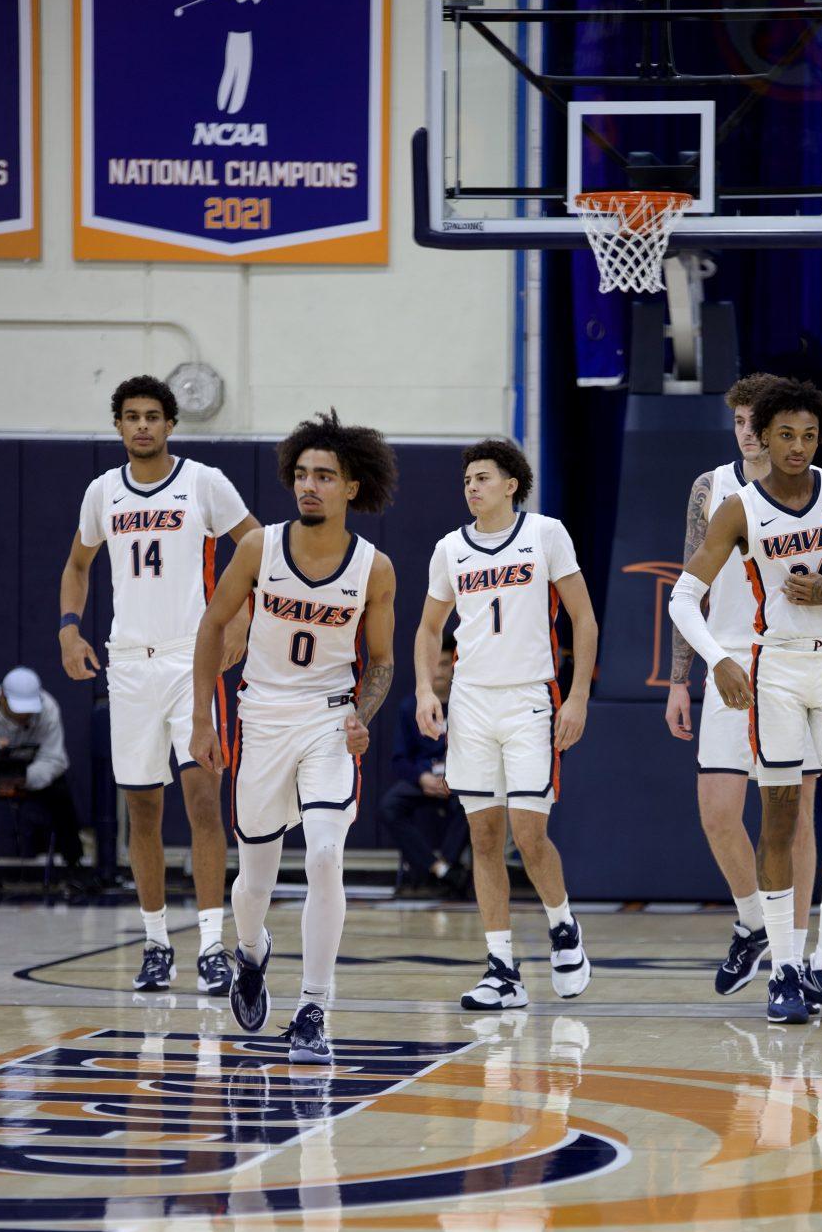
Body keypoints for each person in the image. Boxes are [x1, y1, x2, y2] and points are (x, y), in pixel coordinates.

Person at [669, 377, 822, 1024]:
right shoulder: (736, 507)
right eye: (784, 435)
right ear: (763, 438)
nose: (796, 446)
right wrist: (714, 661)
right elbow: (680, 597)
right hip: (769, 668)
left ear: (818, 437)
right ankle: (783, 968)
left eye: (807, 435)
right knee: (773, 819)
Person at [190, 410, 397, 1065]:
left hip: (329, 718)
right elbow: (210, 628)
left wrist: (364, 712)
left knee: (325, 857)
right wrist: (203, 718)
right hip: (261, 716)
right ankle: (251, 955)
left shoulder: (375, 568)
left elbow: (384, 660)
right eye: (303, 474)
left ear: (351, 488)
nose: (309, 486)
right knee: (254, 875)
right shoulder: (258, 549)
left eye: (324, 476)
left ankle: (314, 1003)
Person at [59, 375, 259, 994]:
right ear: (118, 425)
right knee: (141, 809)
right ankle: (154, 944)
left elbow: (255, 545)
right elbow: (76, 564)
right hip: (128, 664)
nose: (142, 425)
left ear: (171, 424)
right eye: (131, 416)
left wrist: (242, 615)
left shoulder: (204, 482)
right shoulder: (101, 492)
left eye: (152, 415)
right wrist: (69, 628)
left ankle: (208, 945)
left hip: (188, 660)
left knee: (203, 802)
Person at [413, 439, 599, 1011]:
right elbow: (427, 630)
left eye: (483, 477)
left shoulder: (546, 534)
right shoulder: (449, 548)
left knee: (528, 832)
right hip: (471, 702)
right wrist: (425, 689)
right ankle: (501, 969)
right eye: (467, 478)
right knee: (484, 837)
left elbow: (583, 619)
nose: (472, 486)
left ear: (511, 484)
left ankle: (564, 929)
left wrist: (578, 698)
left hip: (529, 699)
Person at [380, 632, 470, 897]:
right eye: (435, 664)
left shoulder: (467, 704)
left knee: (474, 803)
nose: (439, 671)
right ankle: (440, 870)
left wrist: (454, 776)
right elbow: (399, 760)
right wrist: (422, 778)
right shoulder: (411, 707)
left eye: (445, 664)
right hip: (425, 779)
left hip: (458, 780)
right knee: (389, 807)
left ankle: (446, 868)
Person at [0, 667, 87, 897]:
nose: (24, 716)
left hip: (31, 774)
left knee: (62, 795)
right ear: (2, 696)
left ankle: (75, 867)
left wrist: (25, 779)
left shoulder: (48, 708)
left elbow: (54, 759)